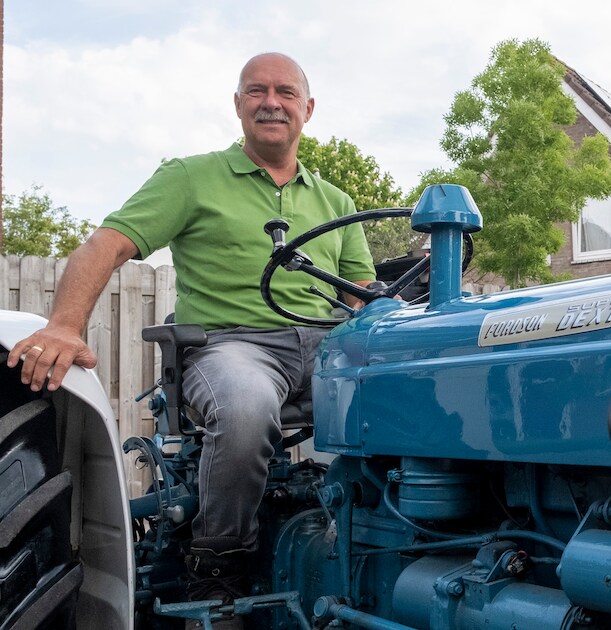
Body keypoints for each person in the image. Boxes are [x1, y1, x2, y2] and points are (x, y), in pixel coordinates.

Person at [5, 52, 375, 629]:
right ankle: (220, 562)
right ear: (238, 105)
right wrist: (63, 326)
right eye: (256, 91)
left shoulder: (336, 203)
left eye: (284, 92)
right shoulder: (191, 177)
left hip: (327, 347)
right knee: (246, 406)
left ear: (308, 108)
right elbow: (108, 245)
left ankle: (384, 540)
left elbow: (360, 293)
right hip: (232, 346)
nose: (270, 102)